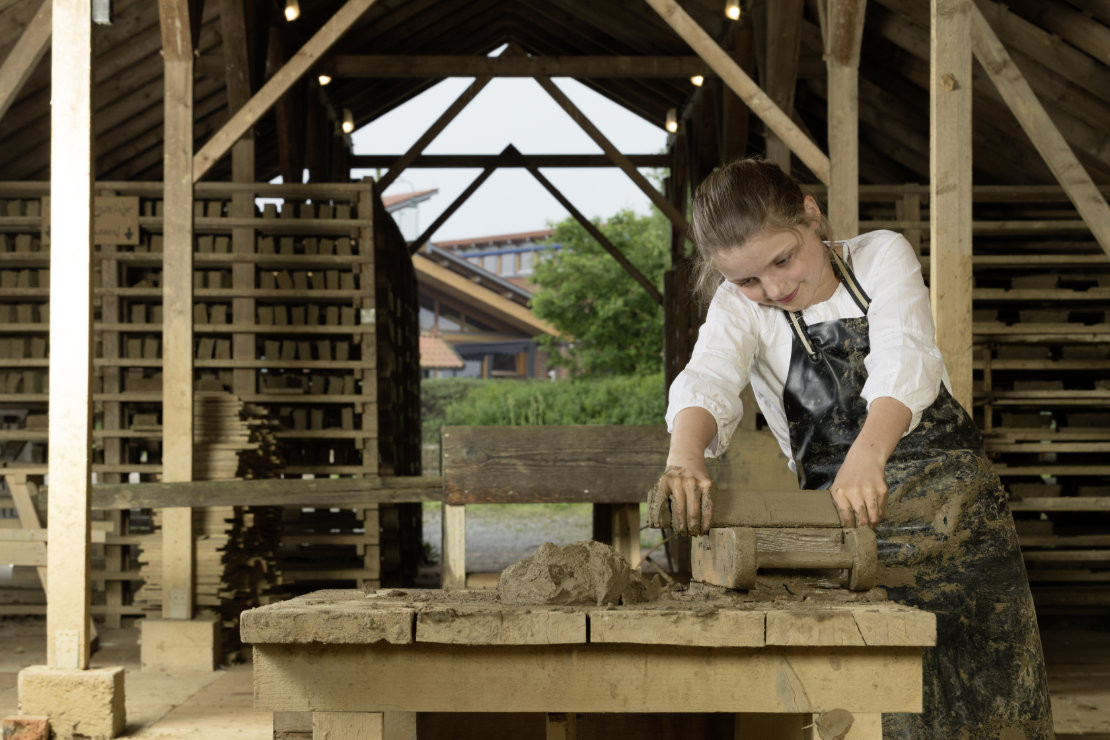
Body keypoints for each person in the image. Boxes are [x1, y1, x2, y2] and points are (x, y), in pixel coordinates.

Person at [655, 157, 1054, 738]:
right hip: (845, 521)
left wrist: (867, 457)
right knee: (880, 703)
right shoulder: (738, 306)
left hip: (956, 513)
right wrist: (685, 458)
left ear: (810, 214)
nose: (774, 289)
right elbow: (707, 377)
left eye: (783, 259)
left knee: (990, 695)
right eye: (747, 280)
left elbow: (904, 355)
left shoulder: (880, 255)